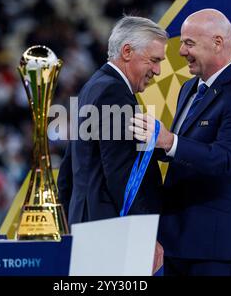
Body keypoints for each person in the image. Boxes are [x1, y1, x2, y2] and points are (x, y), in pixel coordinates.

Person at [130, 9, 231, 276]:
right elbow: (182, 154)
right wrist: (146, 142)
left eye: (189, 43)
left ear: (218, 42)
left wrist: (170, 142)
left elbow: (227, 159)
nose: (180, 51)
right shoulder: (189, 88)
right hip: (177, 239)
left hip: (216, 245)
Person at [57, 16, 168, 273]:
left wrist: (71, 221)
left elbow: (68, 169)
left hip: (88, 226)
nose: (158, 70)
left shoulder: (93, 86)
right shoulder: (113, 93)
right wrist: (143, 234)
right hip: (111, 232)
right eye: (154, 60)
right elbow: (122, 173)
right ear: (127, 51)